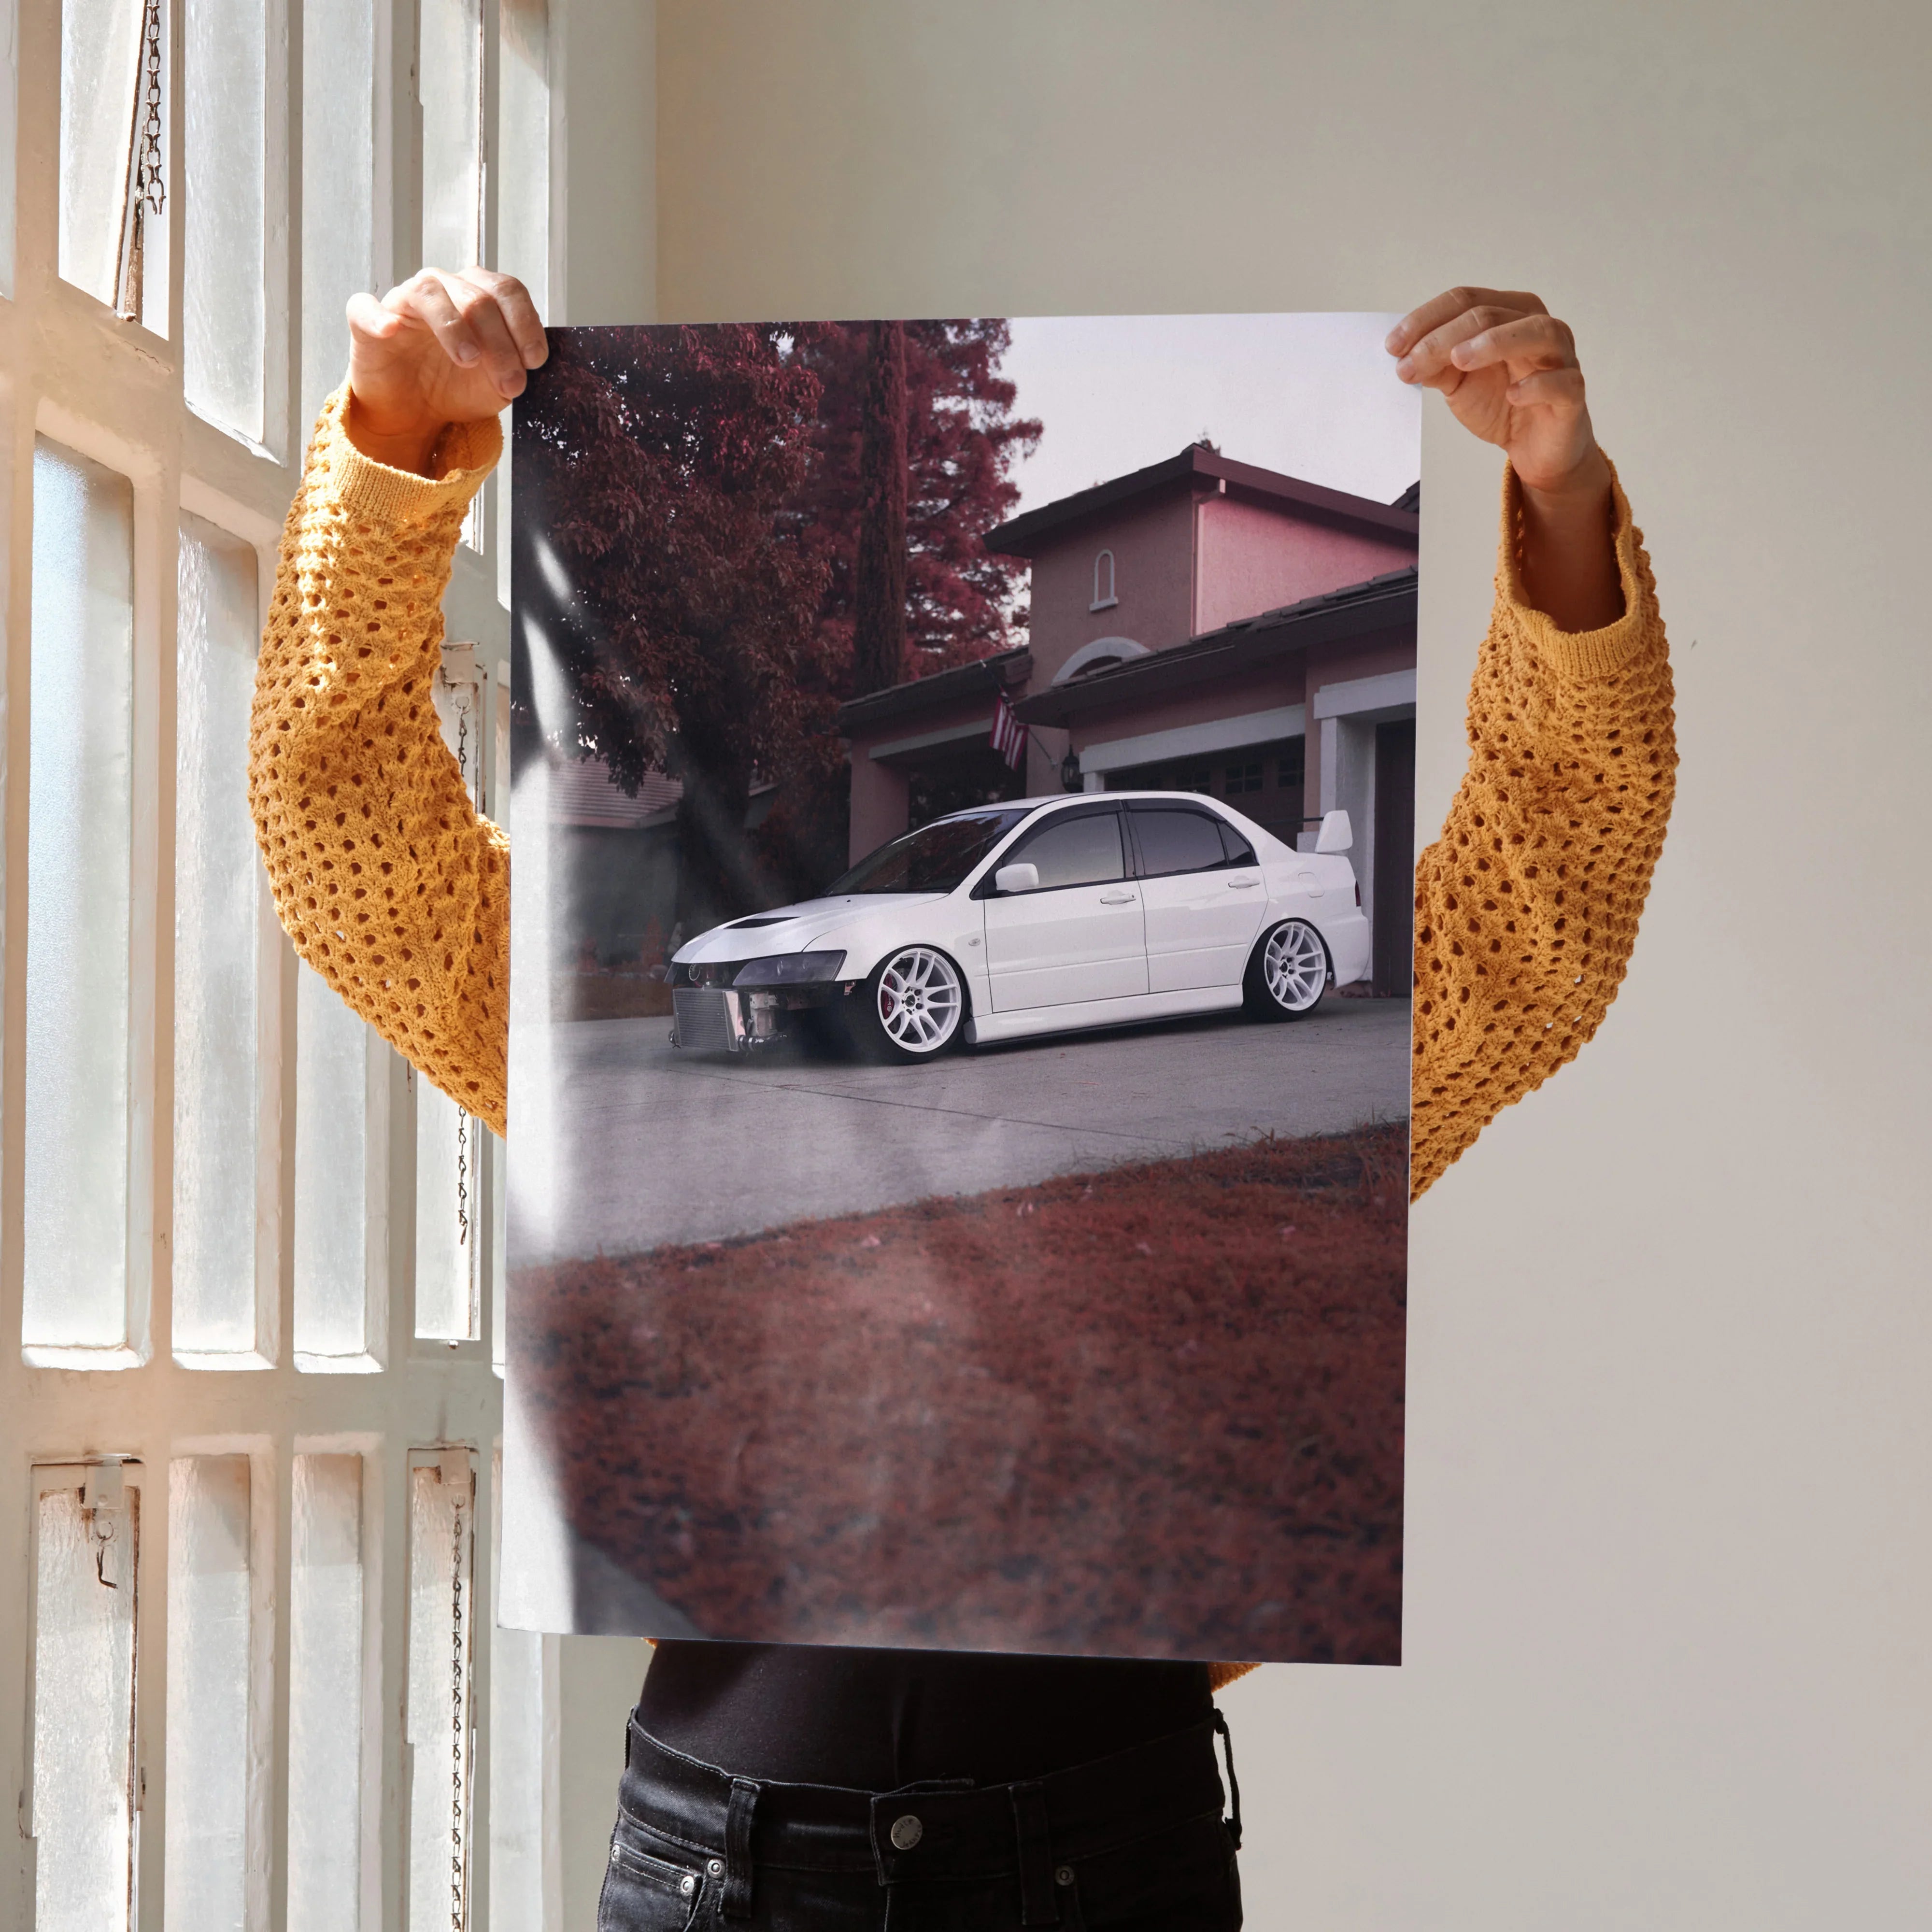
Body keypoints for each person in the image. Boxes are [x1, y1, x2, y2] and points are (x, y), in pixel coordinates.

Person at [250, 274, 1674, 1929]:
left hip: (1103, 1856)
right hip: (727, 1867)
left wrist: (1561, 499)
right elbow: (348, 845)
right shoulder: (647, 1102)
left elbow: (1547, 900)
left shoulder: (1266, 1085)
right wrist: (390, 446)